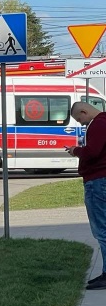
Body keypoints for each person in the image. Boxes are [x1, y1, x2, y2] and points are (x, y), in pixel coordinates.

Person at [67, 102, 106, 290]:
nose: (81, 123)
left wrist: (76, 151)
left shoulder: (99, 124)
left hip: (98, 181)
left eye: (79, 119)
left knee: (102, 229)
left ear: (84, 111)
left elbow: (92, 152)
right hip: (101, 179)